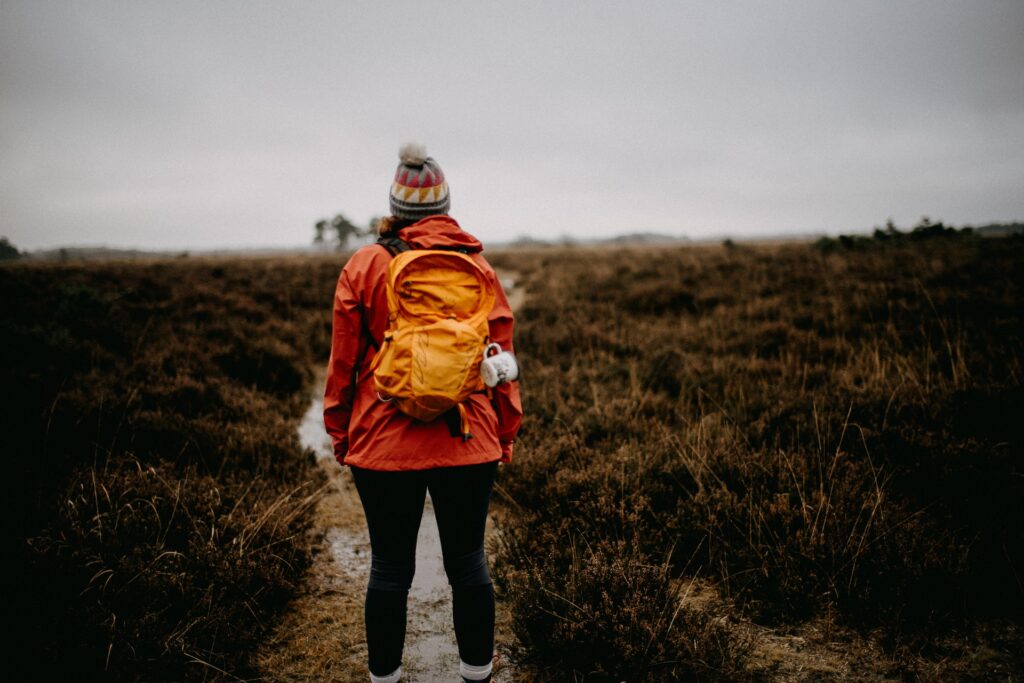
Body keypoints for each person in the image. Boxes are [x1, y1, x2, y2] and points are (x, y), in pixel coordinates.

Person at [323, 144, 523, 683]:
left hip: (383, 442)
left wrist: (342, 436)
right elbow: (499, 361)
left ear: (395, 207)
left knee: (389, 568)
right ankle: (477, 674)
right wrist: (504, 433)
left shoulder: (364, 265)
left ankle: (384, 679)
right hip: (467, 438)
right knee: (468, 563)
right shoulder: (477, 266)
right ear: (445, 207)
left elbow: (342, 365)